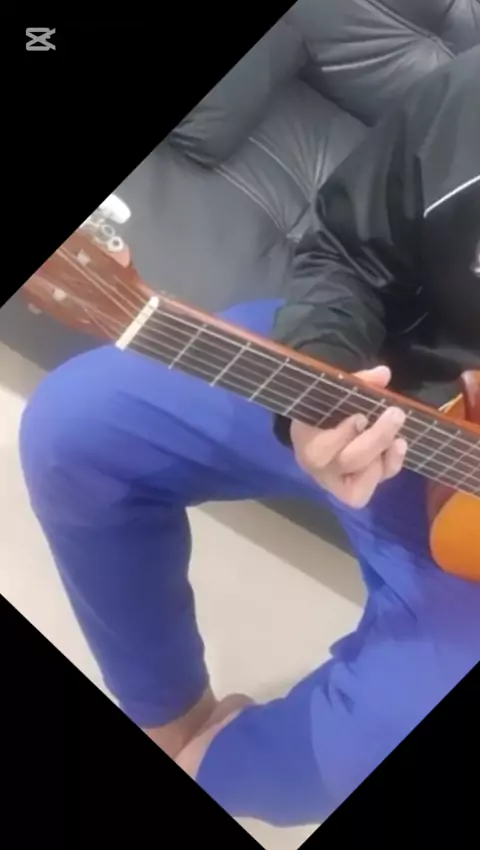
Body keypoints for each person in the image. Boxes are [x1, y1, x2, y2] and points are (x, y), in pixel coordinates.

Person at [20, 47, 480, 825]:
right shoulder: (471, 94)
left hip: (464, 542)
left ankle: (216, 766)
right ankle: (173, 719)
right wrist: (319, 389)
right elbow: (349, 249)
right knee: (75, 430)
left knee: (336, 767)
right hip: (367, 381)